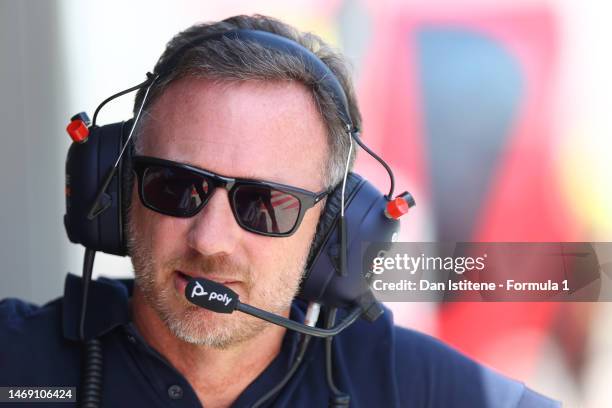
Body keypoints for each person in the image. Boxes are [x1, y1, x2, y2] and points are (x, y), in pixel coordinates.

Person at [0, 14, 558, 408]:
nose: (210, 240)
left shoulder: (410, 386)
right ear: (115, 187)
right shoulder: (15, 362)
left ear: (332, 233)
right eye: (175, 186)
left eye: (263, 205)